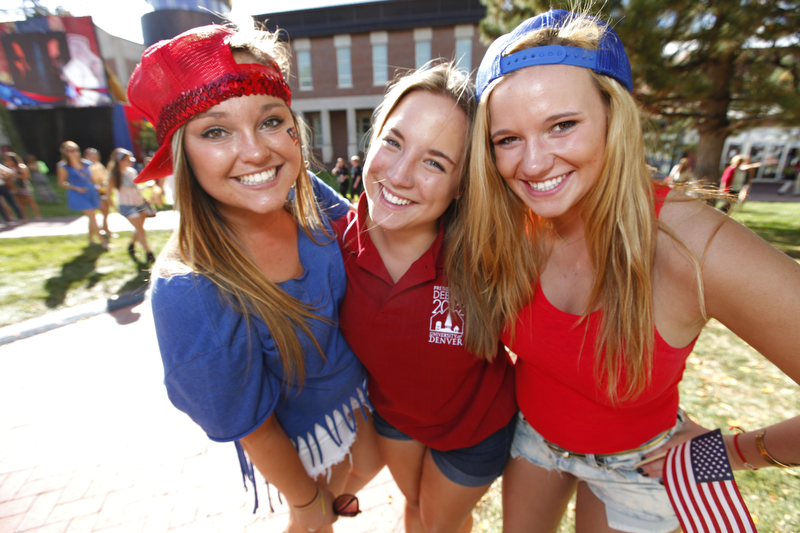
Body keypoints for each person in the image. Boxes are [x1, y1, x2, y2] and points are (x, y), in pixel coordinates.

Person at [450, 9, 800, 533]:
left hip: (641, 465)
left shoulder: (690, 244)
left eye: (562, 125)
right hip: (533, 439)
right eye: (508, 140)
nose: (534, 163)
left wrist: (735, 452)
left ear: (616, 116)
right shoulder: (513, 220)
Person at [128, 24, 382, 532]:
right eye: (216, 131)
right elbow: (254, 428)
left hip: (365, 400)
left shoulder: (304, 190)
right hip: (301, 444)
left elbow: (366, 235)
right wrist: (309, 504)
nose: (257, 153)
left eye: (270, 121)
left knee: (368, 468)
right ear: (183, 154)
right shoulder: (190, 290)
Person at [334, 63, 517, 533]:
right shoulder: (329, 248)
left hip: (475, 431)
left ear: (462, 186)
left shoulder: (489, 255)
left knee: (438, 523)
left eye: (434, 162)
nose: (398, 175)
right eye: (392, 142)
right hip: (395, 421)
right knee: (414, 506)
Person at [107, 148, 155, 264]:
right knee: (140, 229)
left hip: (139, 202)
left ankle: (131, 245)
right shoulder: (115, 175)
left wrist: (144, 190)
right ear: (120, 161)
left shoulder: (131, 172)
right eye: (128, 159)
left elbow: (135, 187)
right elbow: (108, 194)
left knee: (139, 228)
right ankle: (149, 253)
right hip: (126, 205)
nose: (131, 161)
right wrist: (115, 208)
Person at [57, 141, 109, 249]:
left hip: (91, 190)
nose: (73, 152)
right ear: (65, 152)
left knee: (92, 216)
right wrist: (75, 187)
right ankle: (103, 241)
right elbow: (61, 183)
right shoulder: (63, 166)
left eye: (75, 150)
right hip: (78, 193)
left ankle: (90, 238)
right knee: (92, 216)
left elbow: (93, 178)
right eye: (69, 150)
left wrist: (98, 187)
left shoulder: (87, 163)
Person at [84, 148, 113, 236]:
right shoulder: (86, 167)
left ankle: (105, 229)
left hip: (103, 191)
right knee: (93, 215)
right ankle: (92, 235)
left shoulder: (99, 165)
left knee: (106, 212)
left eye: (95, 155)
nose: (93, 157)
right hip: (94, 192)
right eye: (90, 155)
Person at [2, 152, 40, 220]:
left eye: (9, 159)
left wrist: (13, 174)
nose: (8, 161)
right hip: (15, 187)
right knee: (20, 203)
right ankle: (25, 217)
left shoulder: (21, 166)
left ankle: (37, 216)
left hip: (24, 186)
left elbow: (26, 176)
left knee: (30, 202)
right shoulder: (8, 168)